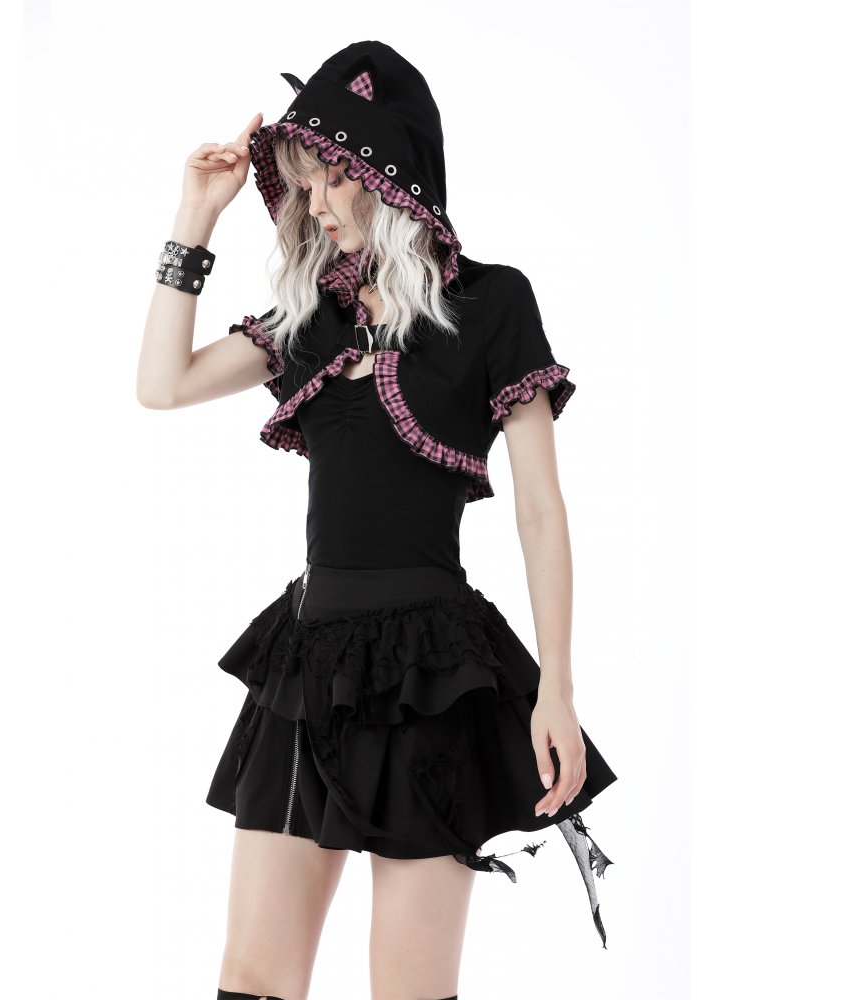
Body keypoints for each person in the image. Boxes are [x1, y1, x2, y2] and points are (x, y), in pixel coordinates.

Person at [138, 40, 619, 1000]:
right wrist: (194, 218)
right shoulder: (312, 316)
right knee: (251, 980)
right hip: (305, 665)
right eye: (303, 183)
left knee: (408, 988)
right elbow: (163, 384)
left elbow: (539, 510)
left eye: (329, 179)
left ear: (384, 172)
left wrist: (556, 690)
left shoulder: (492, 303)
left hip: (431, 675)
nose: (312, 203)